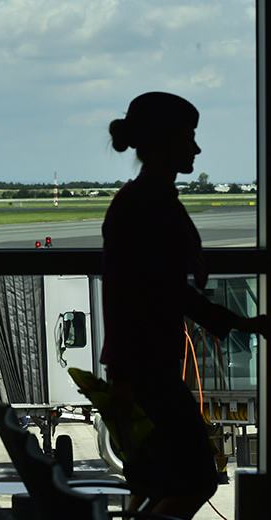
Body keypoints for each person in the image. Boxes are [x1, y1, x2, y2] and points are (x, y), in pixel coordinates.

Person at [101, 92, 271, 519]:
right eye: (188, 137)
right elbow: (163, 291)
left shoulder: (142, 201)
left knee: (156, 482)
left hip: (140, 369)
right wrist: (242, 324)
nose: (195, 149)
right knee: (197, 480)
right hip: (147, 370)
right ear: (164, 142)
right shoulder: (150, 206)